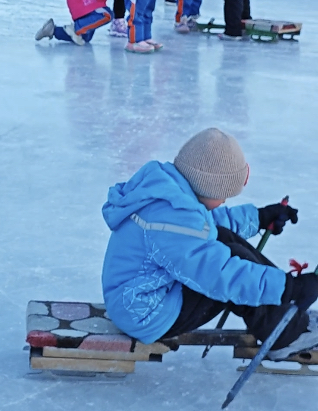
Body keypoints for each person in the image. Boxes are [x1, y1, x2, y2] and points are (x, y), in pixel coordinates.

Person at [101, 127, 318, 361]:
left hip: (136, 299)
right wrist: (288, 288)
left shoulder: (166, 197)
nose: (225, 199)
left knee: (222, 241)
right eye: (224, 193)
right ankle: (284, 336)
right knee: (229, 271)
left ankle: (284, 318)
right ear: (208, 185)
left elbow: (204, 227)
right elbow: (221, 275)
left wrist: (259, 217)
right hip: (148, 315)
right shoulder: (170, 223)